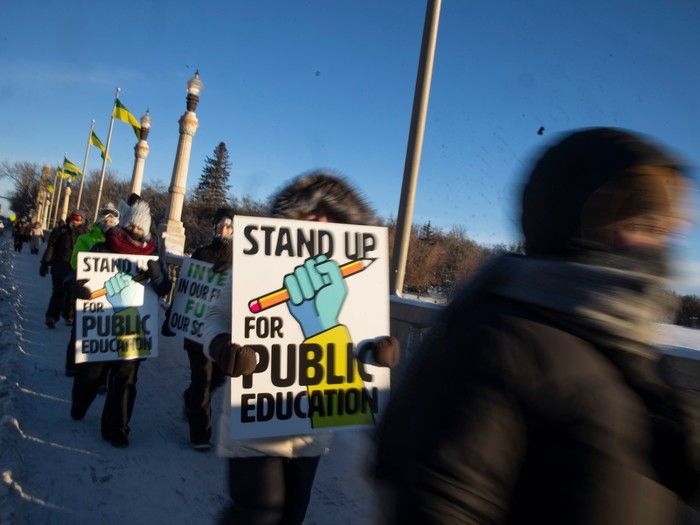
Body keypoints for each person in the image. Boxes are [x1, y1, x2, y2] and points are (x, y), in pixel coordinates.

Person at [374, 128, 699, 524]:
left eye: (663, 229)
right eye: (643, 225)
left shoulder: (627, 346)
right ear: (579, 225)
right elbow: (439, 500)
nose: (657, 249)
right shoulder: (492, 344)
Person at [201, 172, 400, 525]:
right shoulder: (254, 269)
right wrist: (221, 347)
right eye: (312, 214)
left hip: (312, 424)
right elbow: (216, 316)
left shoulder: (354, 283)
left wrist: (377, 354)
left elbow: (355, 349)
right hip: (255, 422)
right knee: (256, 513)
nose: (319, 223)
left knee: (293, 513)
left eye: (329, 217)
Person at [70, 199, 170, 448]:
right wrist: (75, 288)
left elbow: (164, 289)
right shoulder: (102, 248)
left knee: (126, 379)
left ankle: (117, 428)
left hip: (132, 323)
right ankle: (80, 402)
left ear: (147, 230)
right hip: (101, 320)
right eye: (132, 225)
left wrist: (158, 278)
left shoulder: (152, 258)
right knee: (91, 375)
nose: (135, 230)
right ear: (125, 224)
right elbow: (77, 279)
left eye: (141, 227)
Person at [171, 207, 234, 450]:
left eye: (229, 226)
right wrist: (173, 317)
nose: (224, 230)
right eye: (221, 226)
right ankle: (201, 434)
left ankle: (190, 399)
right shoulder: (201, 253)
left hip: (224, 332)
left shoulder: (242, 257)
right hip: (197, 330)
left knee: (217, 378)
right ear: (214, 228)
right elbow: (186, 287)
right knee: (202, 378)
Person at [63, 203, 121, 376]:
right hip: (86, 289)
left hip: (108, 294)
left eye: (112, 221)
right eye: (106, 220)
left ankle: (100, 376)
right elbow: (75, 262)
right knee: (80, 329)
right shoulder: (86, 239)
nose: (109, 223)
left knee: (105, 333)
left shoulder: (119, 244)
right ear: (100, 221)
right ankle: (72, 365)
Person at [40, 210, 87, 328]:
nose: (76, 221)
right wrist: (45, 263)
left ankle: (68, 315)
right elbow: (51, 247)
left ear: (83, 220)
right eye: (74, 217)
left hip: (76, 268)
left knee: (72, 293)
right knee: (58, 292)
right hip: (60, 266)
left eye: (79, 218)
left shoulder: (86, 234)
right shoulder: (61, 231)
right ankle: (51, 316)